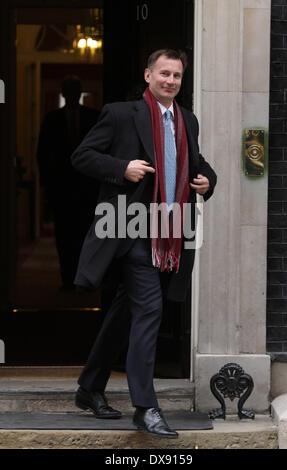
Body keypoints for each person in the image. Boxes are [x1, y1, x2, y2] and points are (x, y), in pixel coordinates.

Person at [71, 49, 217, 438]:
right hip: (131, 229)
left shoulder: (187, 119)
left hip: (169, 231)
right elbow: (82, 156)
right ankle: (146, 407)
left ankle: (89, 387)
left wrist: (207, 181)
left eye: (177, 76)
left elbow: (196, 163)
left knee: (125, 312)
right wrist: (122, 168)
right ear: (148, 74)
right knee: (150, 309)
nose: (171, 81)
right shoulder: (121, 114)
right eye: (164, 73)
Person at [37, 76, 100, 291]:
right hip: (61, 188)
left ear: (79, 92)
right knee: (64, 237)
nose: (72, 95)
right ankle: (68, 280)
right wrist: (46, 186)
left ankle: (86, 279)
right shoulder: (51, 119)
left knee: (87, 235)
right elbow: (42, 154)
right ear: (63, 94)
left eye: (75, 90)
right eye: (68, 91)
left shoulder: (93, 117)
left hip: (88, 188)